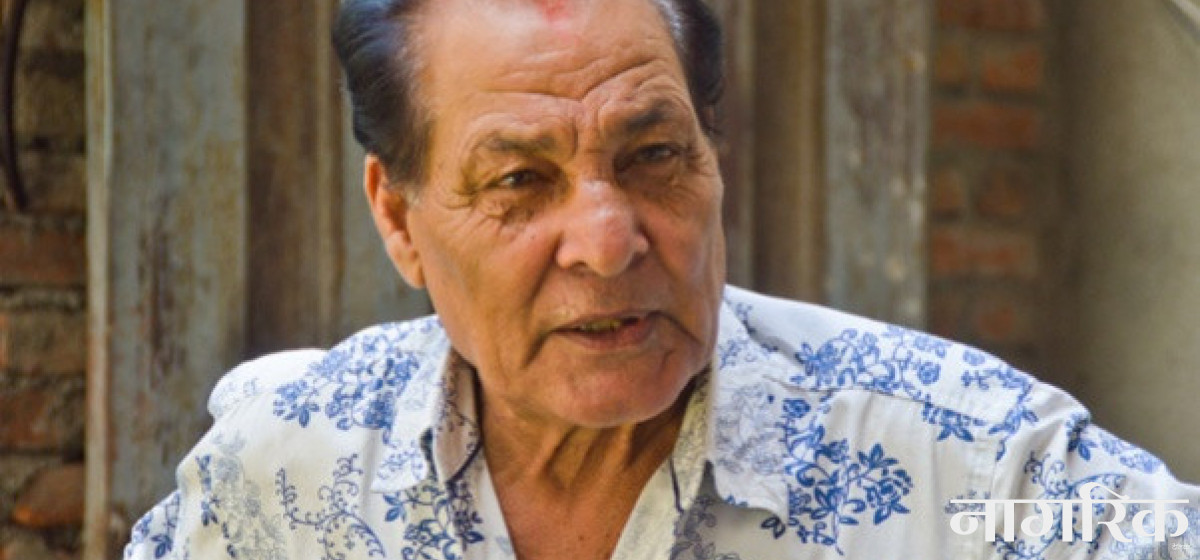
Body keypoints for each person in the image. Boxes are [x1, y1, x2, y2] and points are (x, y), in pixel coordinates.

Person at [124, 0, 1200, 558]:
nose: (607, 241)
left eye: (652, 156)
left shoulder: (971, 470)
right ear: (399, 219)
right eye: (519, 179)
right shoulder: (286, 477)